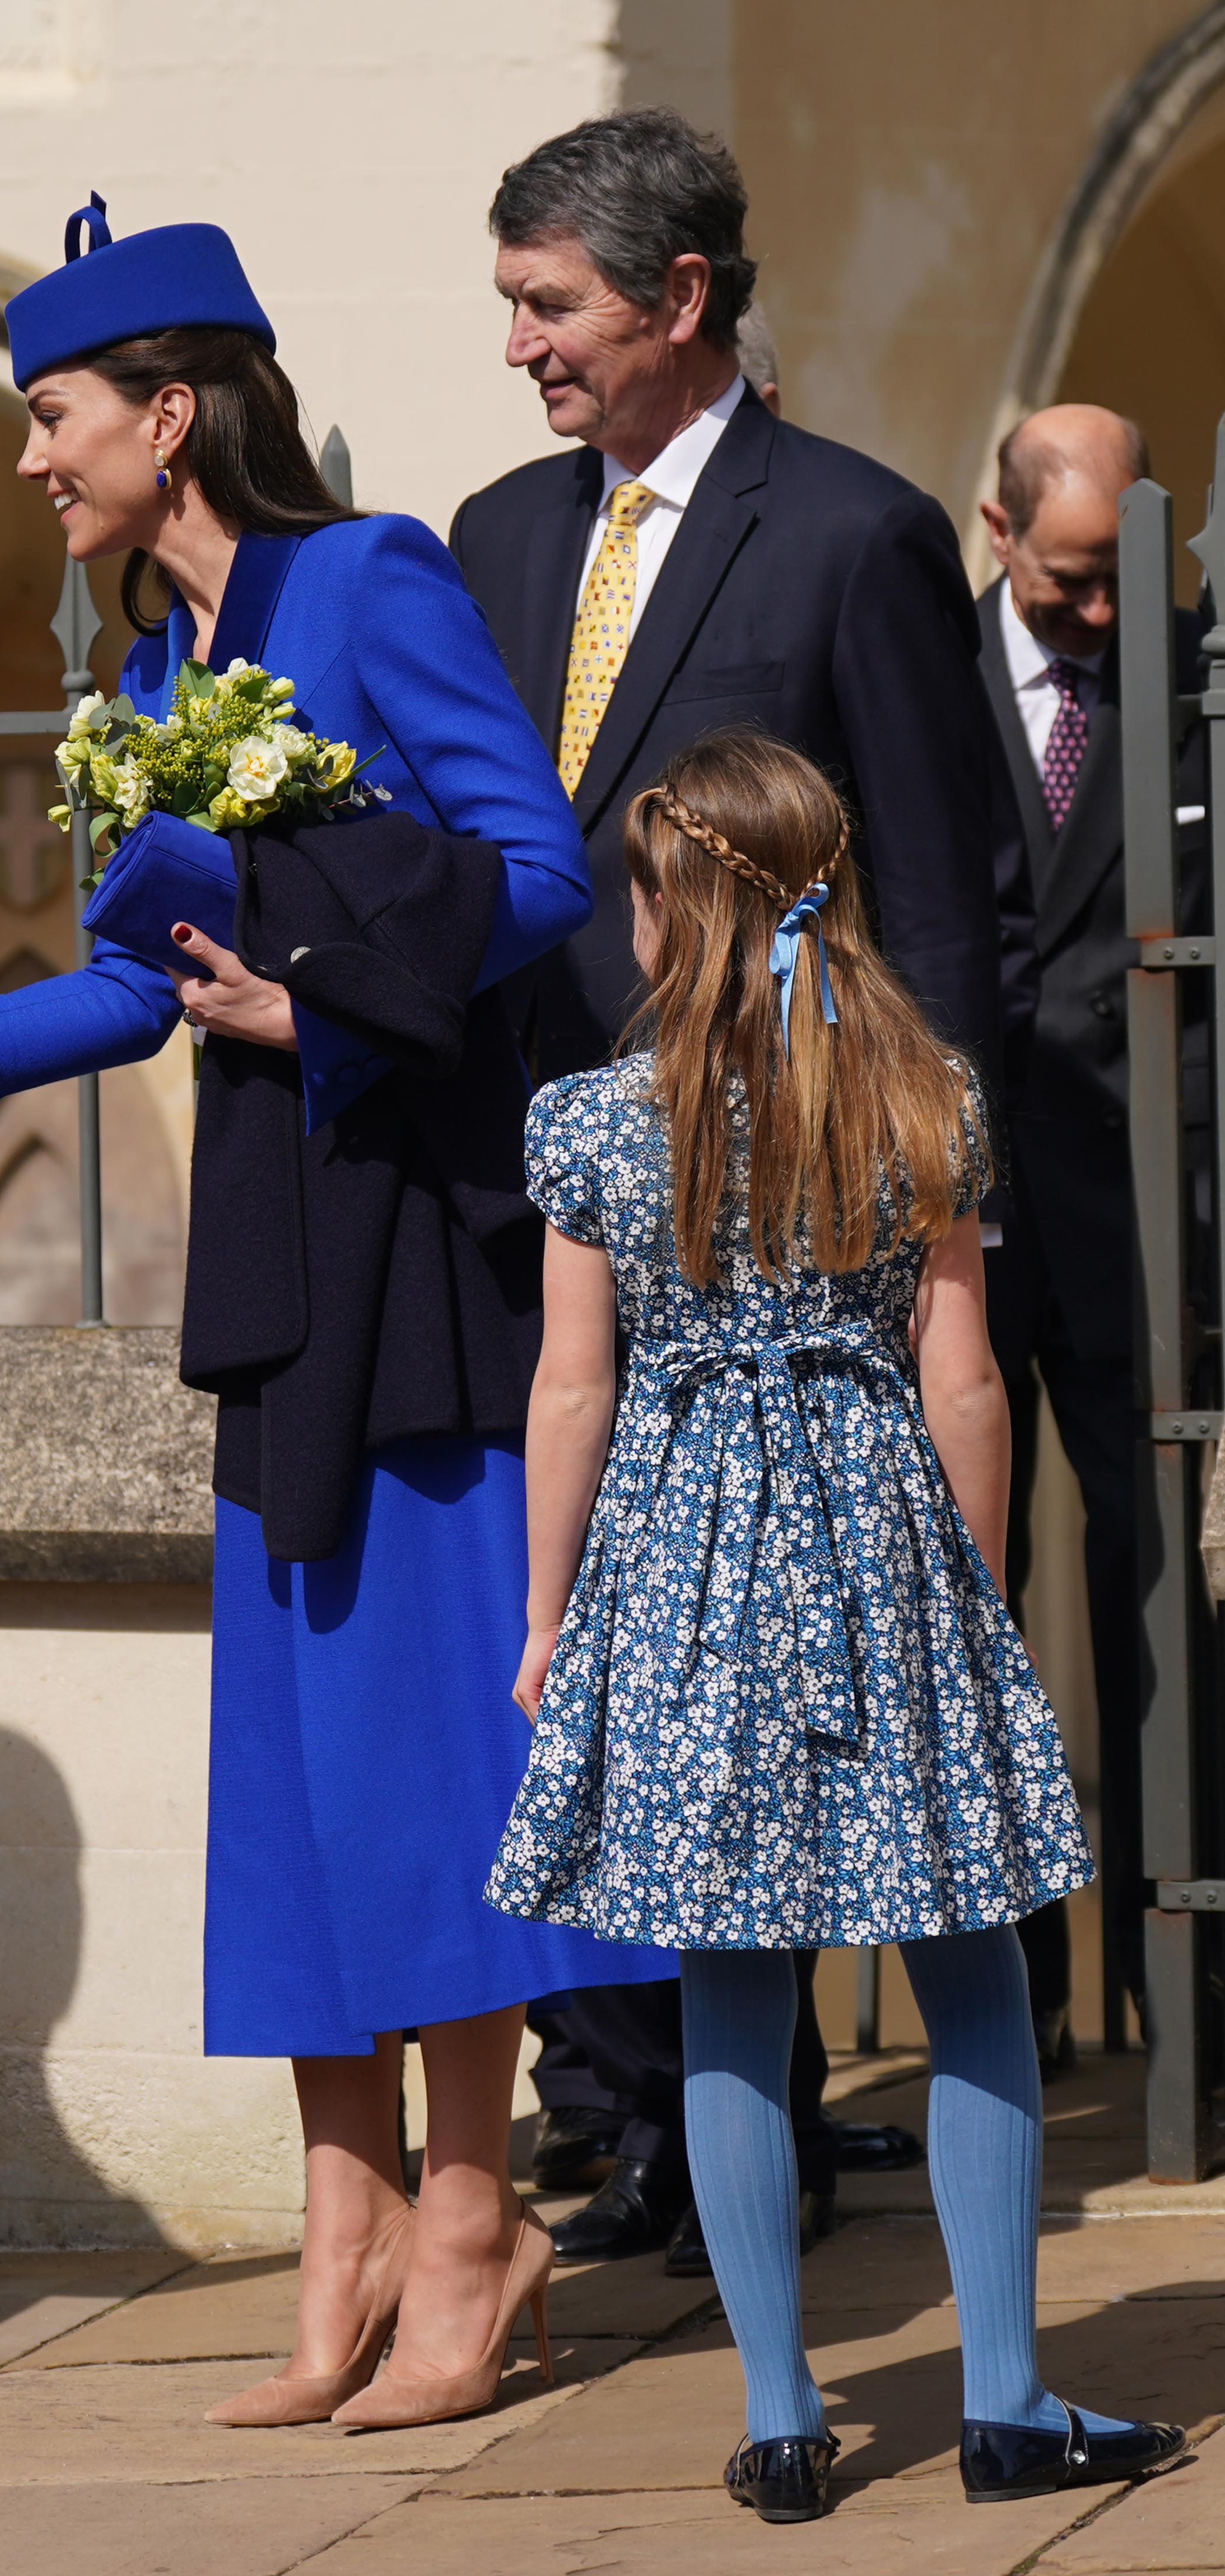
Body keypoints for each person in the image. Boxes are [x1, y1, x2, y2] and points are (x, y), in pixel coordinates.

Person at [0, 191, 670, 2433]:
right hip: (274, 1253)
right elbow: (115, 994)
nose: (34, 465)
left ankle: (476, 2215)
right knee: (304, 1779)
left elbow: (539, 871)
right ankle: (341, 2225)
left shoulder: (373, 581)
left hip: (421, 1238)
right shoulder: (147, 682)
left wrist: (312, 986)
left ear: (173, 413)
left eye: (54, 420)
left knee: (435, 1760)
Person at [488, 725, 1184, 2524]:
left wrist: (550, 1613)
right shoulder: (924, 1099)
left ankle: (788, 2420)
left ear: (675, 916)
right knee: (969, 1973)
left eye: (644, 895)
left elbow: (574, 1391)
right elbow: (963, 1383)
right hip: (878, 1538)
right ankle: (1010, 2404)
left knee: (729, 1985)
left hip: (687, 1552)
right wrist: (966, 1592)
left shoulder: (591, 1120)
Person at [451, 107, 1022, 2263]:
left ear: (680, 298)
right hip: (554, 1194)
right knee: (602, 1666)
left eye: (552, 305)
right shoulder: (497, 537)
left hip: (797, 1226)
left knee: (787, 1684)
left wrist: (937, 1199)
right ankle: (630, 2109)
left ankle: (741, 2131)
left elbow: (947, 911)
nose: (520, 347)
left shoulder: (853, 532)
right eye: (510, 304)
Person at [974, 405, 1208, 2071]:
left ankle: (1178, 1997)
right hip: (966, 1215)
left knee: (1158, 1606)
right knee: (974, 1601)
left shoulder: (1197, 668)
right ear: (998, 534)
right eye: (1072, 581)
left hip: (1150, 1210)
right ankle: (1013, 2019)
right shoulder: (915, 669)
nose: (1108, 614)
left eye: (1130, 571)